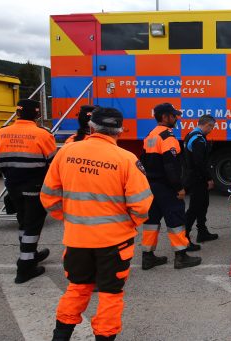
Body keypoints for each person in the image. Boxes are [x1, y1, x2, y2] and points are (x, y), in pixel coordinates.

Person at [41, 107, 153, 341]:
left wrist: (72, 219)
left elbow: (49, 196)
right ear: (120, 131)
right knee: (110, 295)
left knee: (78, 288)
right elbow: (142, 205)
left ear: (91, 127)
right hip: (115, 242)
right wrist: (129, 223)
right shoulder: (125, 159)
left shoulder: (67, 152)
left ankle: (60, 337)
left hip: (77, 239)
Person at [0, 99, 56, 284]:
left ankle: (30, 253)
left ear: (18, 113)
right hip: (35, 186)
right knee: (33, 224)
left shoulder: (2, 133)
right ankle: (25, 266)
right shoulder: (42, 134)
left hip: (12, 185)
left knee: (23, 220)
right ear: (37, 114)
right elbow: (52, 163)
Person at [140, 103, 201, 269]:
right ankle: (181, 256)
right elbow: (171, 166)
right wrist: (179, 187)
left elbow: (142, 163)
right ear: (165, 117)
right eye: (174, 116)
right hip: (167, 187)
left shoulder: (150, 136)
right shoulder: (168, 138)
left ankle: (147, 256)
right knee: (176, 220)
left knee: (151, 222)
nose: (177, 118)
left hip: (151, 187)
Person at [183, 114, 219, 249]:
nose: (211, 130)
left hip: (194, 176)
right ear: (207, 125)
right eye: (212, 127)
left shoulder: (191, 135)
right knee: (194, 208)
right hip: (197, 178)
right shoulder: (198, 139)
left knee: (203, 204)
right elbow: (200, 163)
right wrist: (208, 178)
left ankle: (202, 232)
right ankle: (184, 238)